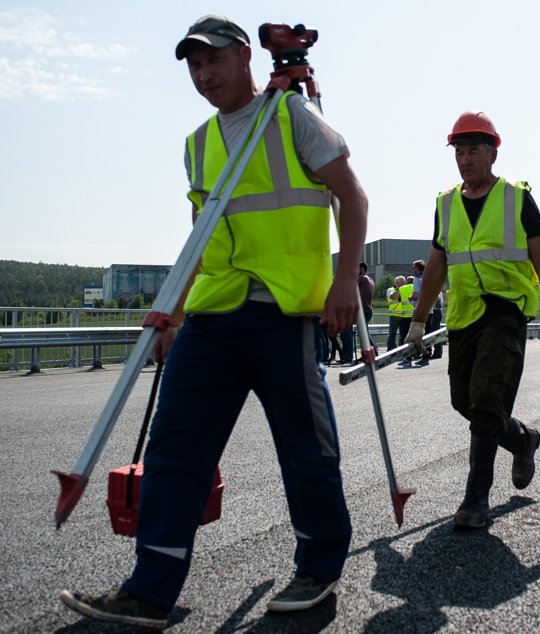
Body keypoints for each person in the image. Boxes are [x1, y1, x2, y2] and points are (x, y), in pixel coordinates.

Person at [60, 15, 368, 629]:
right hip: (213, 315)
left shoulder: (291, 117)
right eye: (195, 66)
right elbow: (203, 232)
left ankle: (319, 565)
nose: (204, 75)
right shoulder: (197, 143)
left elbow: (352, 196)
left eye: (214, 61)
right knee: (174, 450)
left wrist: (344, 279)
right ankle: (150, 589)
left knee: (306, 452)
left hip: (285, 315)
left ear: (245, 57)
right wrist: (172, 311)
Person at [406, 111, 540, 529]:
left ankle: (475, 499)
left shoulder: (517, 197)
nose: (465, 160)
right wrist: (418, 320)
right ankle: (522, 439)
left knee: (485, 398)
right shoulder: (445, 204)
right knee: (463, 401)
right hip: (464, 315)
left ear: (492, 153)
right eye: (459, 152)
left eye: (473, 151)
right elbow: (437, 264)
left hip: (507, 310)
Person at [386, 275, 412, 350]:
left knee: (403, 334)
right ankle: (390, 349)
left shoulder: (404, 289)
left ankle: (402, 349)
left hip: (403, 315)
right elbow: (393, 297)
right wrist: (398, 289)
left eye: (404, 283)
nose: (403, 284)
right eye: (401, 283)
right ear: (396, 283)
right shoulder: (390, 289)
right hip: (394, 315)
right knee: (392, 333)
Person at [358, 262, 378, 354]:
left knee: (364, 334)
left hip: (363, 309)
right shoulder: (370, 279)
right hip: (368, 309)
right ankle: (371, 353)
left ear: (361, 269)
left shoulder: (362, 278)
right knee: (364, 333)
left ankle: (373, 353)